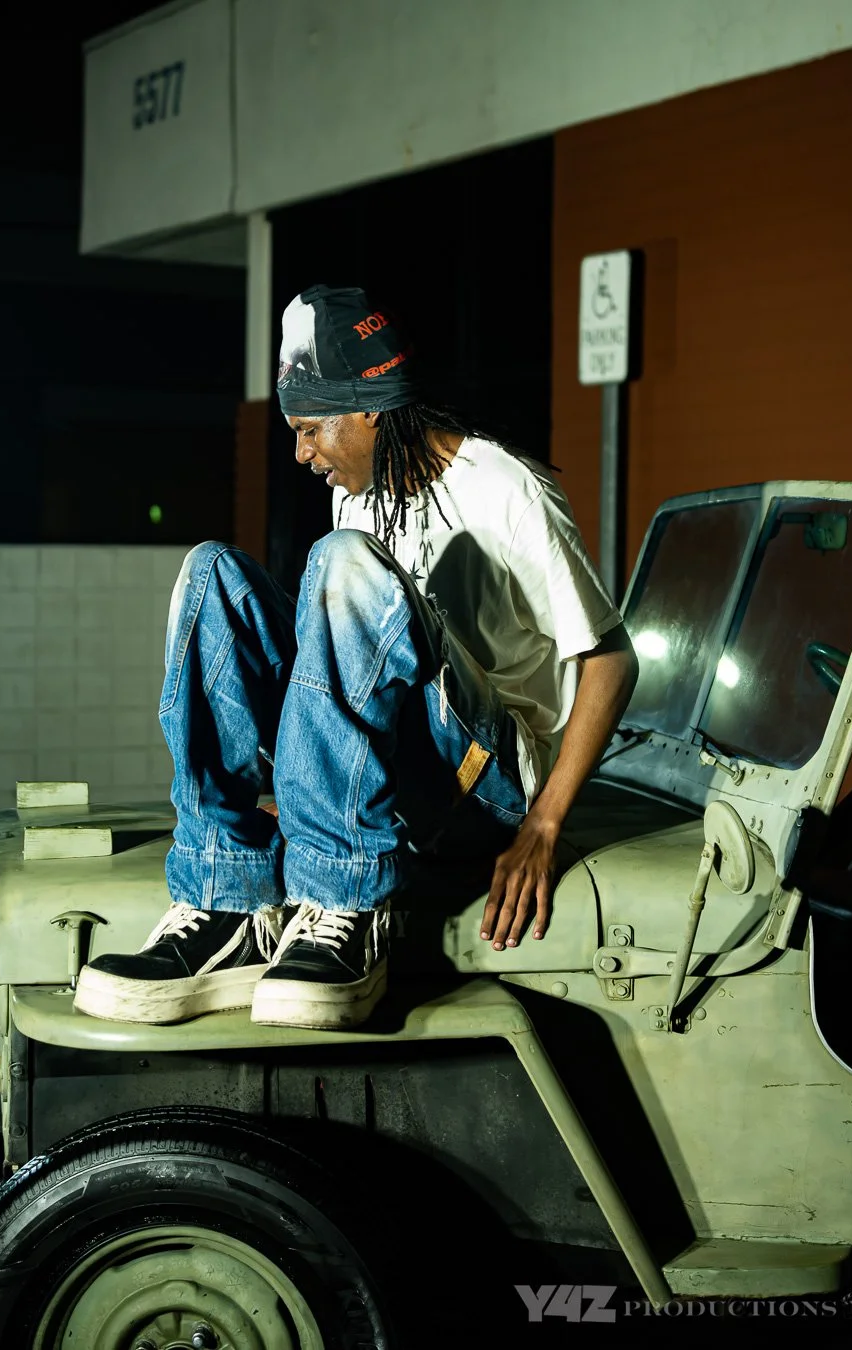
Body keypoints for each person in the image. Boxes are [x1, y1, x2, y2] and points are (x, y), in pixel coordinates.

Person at [74, 284, 638, 1031]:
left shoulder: (505, 490)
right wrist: (300, 777)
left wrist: (543, 827)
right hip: (406, 773)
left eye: (311, 430)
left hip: (487, 782)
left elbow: (611, 660)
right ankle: (226, 896)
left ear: (370, 408)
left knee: (341, 561)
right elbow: (345, 669)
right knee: (213, 574)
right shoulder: (360, 493)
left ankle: (343, 901)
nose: (303, 455)